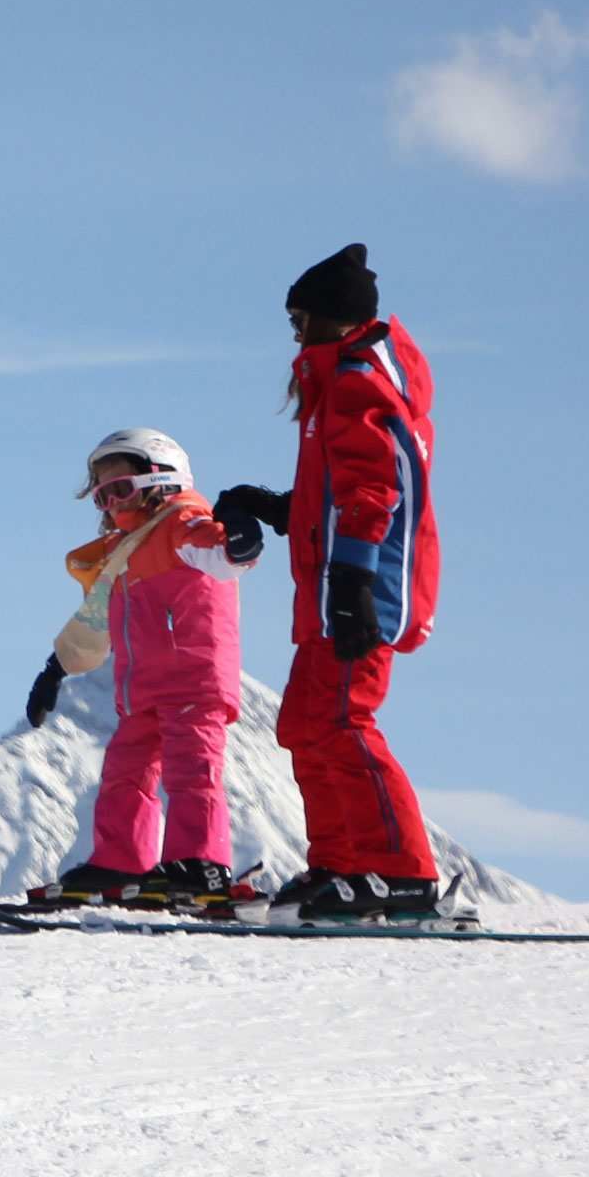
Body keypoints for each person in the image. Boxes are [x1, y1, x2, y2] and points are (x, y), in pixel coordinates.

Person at [214, 243, 448, 923]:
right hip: (329, 594)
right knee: (305, 724)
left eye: (301, 317)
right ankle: (344, 863)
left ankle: (401, 873)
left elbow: (373, 491)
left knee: (343, 720)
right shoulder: (339, 382)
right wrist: (272, 505)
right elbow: (335, 494)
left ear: (335, 319)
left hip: (356, 599)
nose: (294, 332)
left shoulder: (354, 383)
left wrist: (351, 581)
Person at [14, 428, 253, 915]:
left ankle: (199, 862)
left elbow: (221, 555)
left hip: (192, 678)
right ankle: (121, 862)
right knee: (125, 774)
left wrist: (241, 542)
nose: (111, 504)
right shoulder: (124, 553)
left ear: (162, 480)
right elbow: (96, 619)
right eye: (101, 496)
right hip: (142, 691)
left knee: (192, 771)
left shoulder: (181, 522)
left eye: (120, 489)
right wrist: (56, 668)